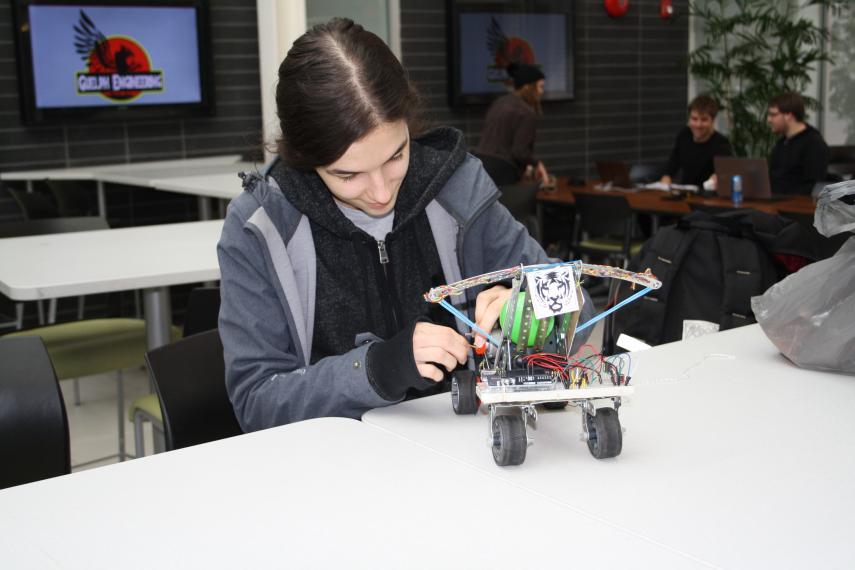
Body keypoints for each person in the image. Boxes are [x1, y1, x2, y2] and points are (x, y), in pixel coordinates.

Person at [217, 19, 594, 432]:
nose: (380, 192)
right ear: (306, 160)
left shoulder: (457, 192)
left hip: (467, 463)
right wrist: (377, 369)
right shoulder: (262, 229)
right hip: (333, 474)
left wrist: (532, 312)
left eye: (396, 155)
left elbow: (583, 315)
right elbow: (256, 403)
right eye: (348, 175)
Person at [473, 63, 550, 186]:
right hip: (503, 172)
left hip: (480, 166)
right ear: (528, 87)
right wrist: (536, 163)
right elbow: (520, 152)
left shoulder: (499, 103)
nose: (541, 92)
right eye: (540, 87)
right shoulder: (526, 113)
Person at [660, 94, 732, 188]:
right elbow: (672, 165)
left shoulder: (721, 144)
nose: (698, 125)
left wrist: (715, 179)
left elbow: (722, 174)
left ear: (713, 120)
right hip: (684, 192)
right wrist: (665, 182)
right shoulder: (684, 135)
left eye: (704, 120)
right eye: (694, 119)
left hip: (708, 195)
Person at [767, 92, 830, 195]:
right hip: (774, 203)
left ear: (789, 115)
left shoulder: (814, 143)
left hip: (797, 206)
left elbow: (813, 186)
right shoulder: (781, 143)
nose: (769, 120)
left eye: (773, 115)